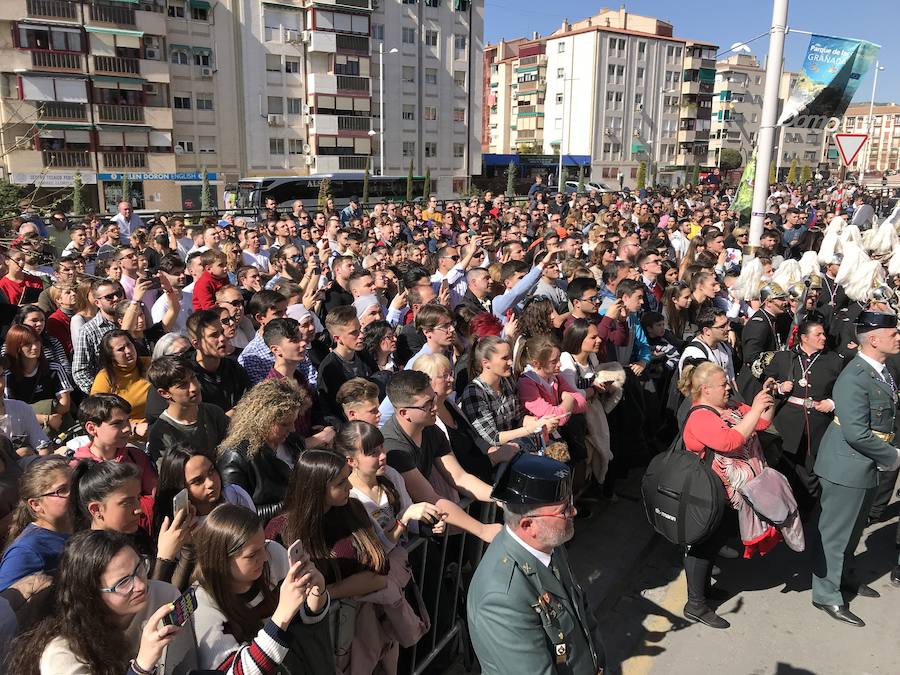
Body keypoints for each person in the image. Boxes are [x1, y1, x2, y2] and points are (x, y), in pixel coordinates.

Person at [467, 452, 605, 675]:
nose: (574, 511)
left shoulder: (549, 543)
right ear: (528, 525)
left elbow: (581, 609)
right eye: (564, 510)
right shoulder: (502, 597)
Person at [811, 311, 900, 627]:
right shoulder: (855, 376)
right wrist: (893, 456)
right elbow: (856, 433)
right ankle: (826, 594)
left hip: (865, 464)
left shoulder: (880, 370)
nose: (899, 337)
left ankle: (844, 577)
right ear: (874, 339)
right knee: (835, 534)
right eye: (893, 333)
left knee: (853, 530)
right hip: (847, 465)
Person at [6, 529, 197, 675]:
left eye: (139, 568)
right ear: (90, 594)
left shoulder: (164, 596)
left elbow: (187, 668)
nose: (140, 585)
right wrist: (142, 665)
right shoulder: (62, 653)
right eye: (123, 583)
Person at [679, 362, 775, 629]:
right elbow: (730, 441)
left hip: (730, 494)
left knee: (716, 540)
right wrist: (754, 410)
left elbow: (763, 422)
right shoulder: (700, 416)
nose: (729, 388)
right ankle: (695, 604)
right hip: (709, 493)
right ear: (705, 389)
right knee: (703, 546)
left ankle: (704, 593)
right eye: (724, 384)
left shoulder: (729, 406)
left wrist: (767, 399)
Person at [190, 503, 333, 673]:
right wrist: (282, 615)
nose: (264, 557)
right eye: (252, 555)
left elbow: (305, 627)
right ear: (221, 560)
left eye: (263, 546)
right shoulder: (202, 602)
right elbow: (233, 671)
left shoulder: (274, 555)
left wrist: (318, 593)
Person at [381, 371, 502, 543]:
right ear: (403, 413)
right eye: (427, 404)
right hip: (397, 534)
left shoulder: (431, 429)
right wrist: (482, 530)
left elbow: (459, 477)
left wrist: (498, 496)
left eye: (434, 398)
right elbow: (430, 497)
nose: (435, 407)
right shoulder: (393, 447)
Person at [762, 320, 843, 514]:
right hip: (787, 423)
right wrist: (780, 387)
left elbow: (844, 390)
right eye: (818, 335)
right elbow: (767, 383)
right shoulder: (783, 358)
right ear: (804, 338)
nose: (824, 338)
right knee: (784, 467)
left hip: (817, 424)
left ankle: (806, 511)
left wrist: (833, 402)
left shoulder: (834, 360)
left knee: (811, 470)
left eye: (824, 334)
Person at [334, 421, 445, 548]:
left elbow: (408, 512)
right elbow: (375, 549)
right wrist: (403, 519)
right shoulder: (350, 497)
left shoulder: (390, 474)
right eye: (373, 453)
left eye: (381, 447)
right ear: (352, 461)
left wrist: (429, 522)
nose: (383, 455)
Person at [217, 378, 305, 521]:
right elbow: (236, 515)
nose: (292, 429)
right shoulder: (236, 457)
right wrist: (292, 505)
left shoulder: (294, 443)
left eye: (293, 422)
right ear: (262, 420)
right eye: (284, 424)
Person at [461, 336, 557, 452]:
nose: (511, 362)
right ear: (486, 363)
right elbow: (493, 438)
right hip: (495, 457)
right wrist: (533, 428)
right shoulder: (474, 393)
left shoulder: (507, 381)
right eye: (505, 358)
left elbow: (518, 419)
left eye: (510, 357)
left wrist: (542, 422)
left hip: (516, 448)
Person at [0, 456, 71, 590]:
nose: (74, 493)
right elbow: (6, 603)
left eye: (75, 485)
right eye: (62, 490)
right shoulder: (26, 551)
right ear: (36, 504)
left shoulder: (82, 525)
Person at [145, 355, 230, 462]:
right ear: (165, 393)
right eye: (182, 385)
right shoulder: (162, 434)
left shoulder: (213, 413)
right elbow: (172, 475)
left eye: (193, 378)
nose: (194, 387)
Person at [3, 328, 72, 433]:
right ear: (16, 348)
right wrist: (46, 419)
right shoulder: (8, 376)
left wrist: (52, 416)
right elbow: (12, 411)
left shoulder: (54, 368)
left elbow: (65, 403)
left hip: (57, 421)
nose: (35, 347)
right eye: (28, 344)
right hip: (23, 427)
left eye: (37, 341)